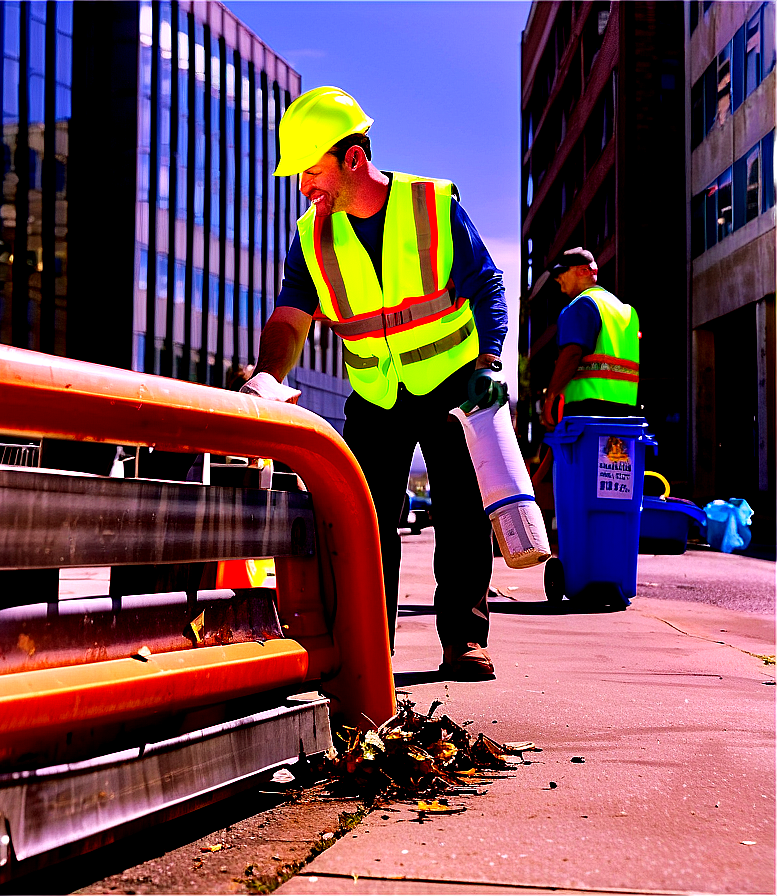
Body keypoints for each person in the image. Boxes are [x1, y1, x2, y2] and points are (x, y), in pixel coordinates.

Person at [240, 86, 507, 679]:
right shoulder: (313, 237)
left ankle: (465, 639)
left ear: (354, 159)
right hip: (376, 394)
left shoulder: (432, 206)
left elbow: (488, 285)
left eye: (312, 173)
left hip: (450, 386)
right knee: (364, 522)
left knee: (461, 515)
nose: (305, 189)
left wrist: (488, 364)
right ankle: (371, 649)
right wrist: (266, 378)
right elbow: (290, 318)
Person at [541, 247, 639, 429]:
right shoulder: (625, 311)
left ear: (584, 271)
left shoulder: (582, 305)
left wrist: (550, 397)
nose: (558, 279)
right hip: (625, 412)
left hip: (586, 410)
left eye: (561, 272)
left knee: (571, 456)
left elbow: (572, 354)